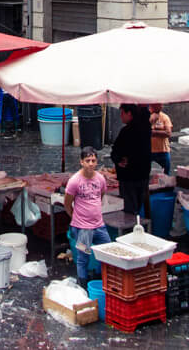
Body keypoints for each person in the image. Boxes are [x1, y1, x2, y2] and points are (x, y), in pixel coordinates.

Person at [64, 147, 110, 288]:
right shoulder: (74, 181)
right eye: (87, 160)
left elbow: (101, 195)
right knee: (83, 258)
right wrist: (75, 218)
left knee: (108, 254)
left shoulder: (100, 179)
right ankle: (83, 284)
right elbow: (67, 202)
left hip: (99, 226)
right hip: (83, 228)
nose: (91, 163)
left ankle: (103, 280)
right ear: (81, 162)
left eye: (93, 160)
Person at [111, 104, 152, 217]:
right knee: (137, 207)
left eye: (122, 113)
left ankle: (130, 231)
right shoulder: (146, 127)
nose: (120, 116)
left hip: (129, 177)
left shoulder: (127, 131)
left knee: (129, 211)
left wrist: (118, 160)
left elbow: (115, 151)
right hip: (143, 175)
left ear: (129, 114)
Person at [149, 103, 173, 175]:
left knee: (166, 173)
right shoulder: (147, 117)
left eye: (161, 104)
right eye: (158, 104)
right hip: (149, 151)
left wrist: (153, 132)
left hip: (163, 151)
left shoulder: (165, 117)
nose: (161, 106)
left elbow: (168, 133)